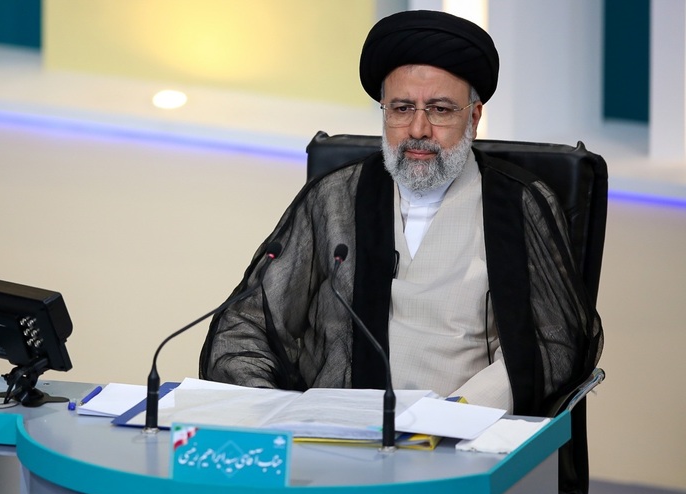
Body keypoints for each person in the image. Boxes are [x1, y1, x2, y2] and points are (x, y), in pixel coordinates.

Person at [200, 9, 602, 422]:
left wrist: (455, 416)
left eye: (440, 110)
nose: (418, 130)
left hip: (465, 433)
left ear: (473, 117)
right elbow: (248, 323)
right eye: (402, 108)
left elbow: (554, 341)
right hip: (341, 430)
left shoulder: (519, 204)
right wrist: (274, 410)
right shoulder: (336, 198)